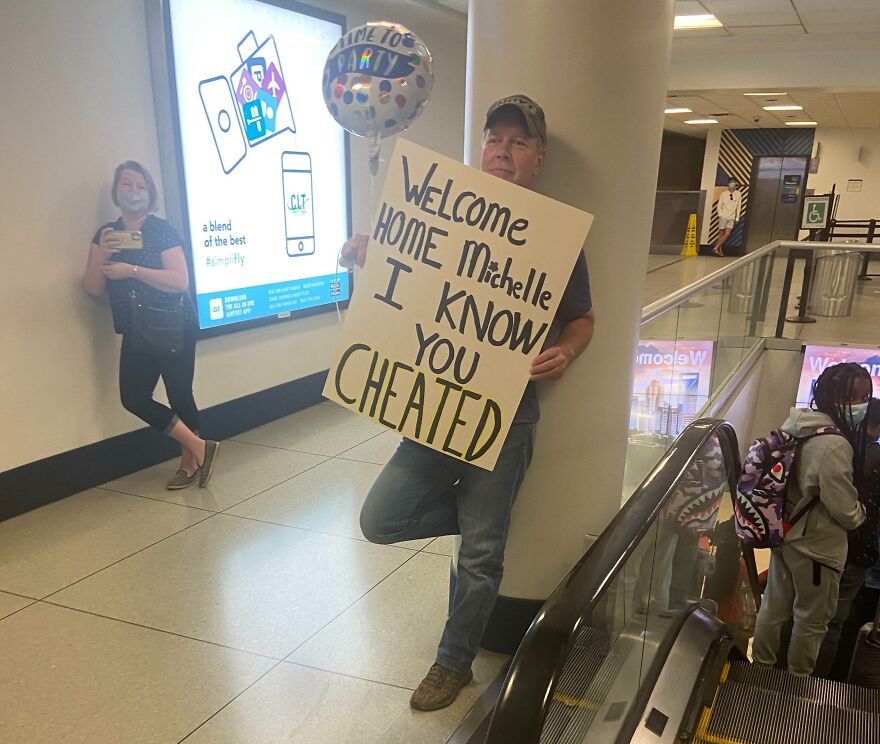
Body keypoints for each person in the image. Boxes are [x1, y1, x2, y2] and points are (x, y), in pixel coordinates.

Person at [341, 95, 595, 711]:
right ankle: (486, 516)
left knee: (480, 558)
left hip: (505, 418)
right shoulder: (444, 222)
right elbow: (410, 292)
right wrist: (373, 257)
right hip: (433, 407)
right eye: (492, 139)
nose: (501, 152)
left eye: (516, 143)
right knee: (380, 519)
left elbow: (583, 319)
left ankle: (452, 665)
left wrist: (565, 350)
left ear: (538, 158)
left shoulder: (554, 239)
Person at [82, 161, 219, 490]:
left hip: (173, 324)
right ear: (116, 191)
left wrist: (132, 270)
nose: (133, 192)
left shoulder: (160, 230)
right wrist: (103, 254)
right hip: (135, 327)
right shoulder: (106, 235)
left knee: (179, 394)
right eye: (126, 185)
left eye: (140, 186)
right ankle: (201, 447)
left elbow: (179, 281)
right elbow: (93, 288)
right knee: (133, 397)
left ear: (150, 194)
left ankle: (189, 462)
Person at [751, 362, 869, 676]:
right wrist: (861, 515)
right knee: (811, 619)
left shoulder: (797, 426)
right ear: (833, 397)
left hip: (784, 534)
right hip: (817, 549)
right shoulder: (834, 444)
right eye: (855, 397)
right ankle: (798, 678)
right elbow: (843, 508)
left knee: (773, 609)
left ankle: (760, 669)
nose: (861, 404)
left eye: (865, 396)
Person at [814, 396, 880, 679]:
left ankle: (792, 675)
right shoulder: (871, 454)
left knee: (811, 615)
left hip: (820, 547)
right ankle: (830, 678)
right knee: (840, 622)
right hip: (859, 553)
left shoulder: (833, 446)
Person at [713, 179, 742, 257]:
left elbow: (739, 206)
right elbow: (719, 205)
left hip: (731, 217)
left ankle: (715, 248)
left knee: (727, 234)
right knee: (721, 233)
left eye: (733, 183)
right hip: (723, 216)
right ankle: (719, 251)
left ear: (736, 184)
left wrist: (737, 218)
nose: (731, 184)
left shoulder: (738, 194)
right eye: (730, 182)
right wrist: (720, 214)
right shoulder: (723, 194)